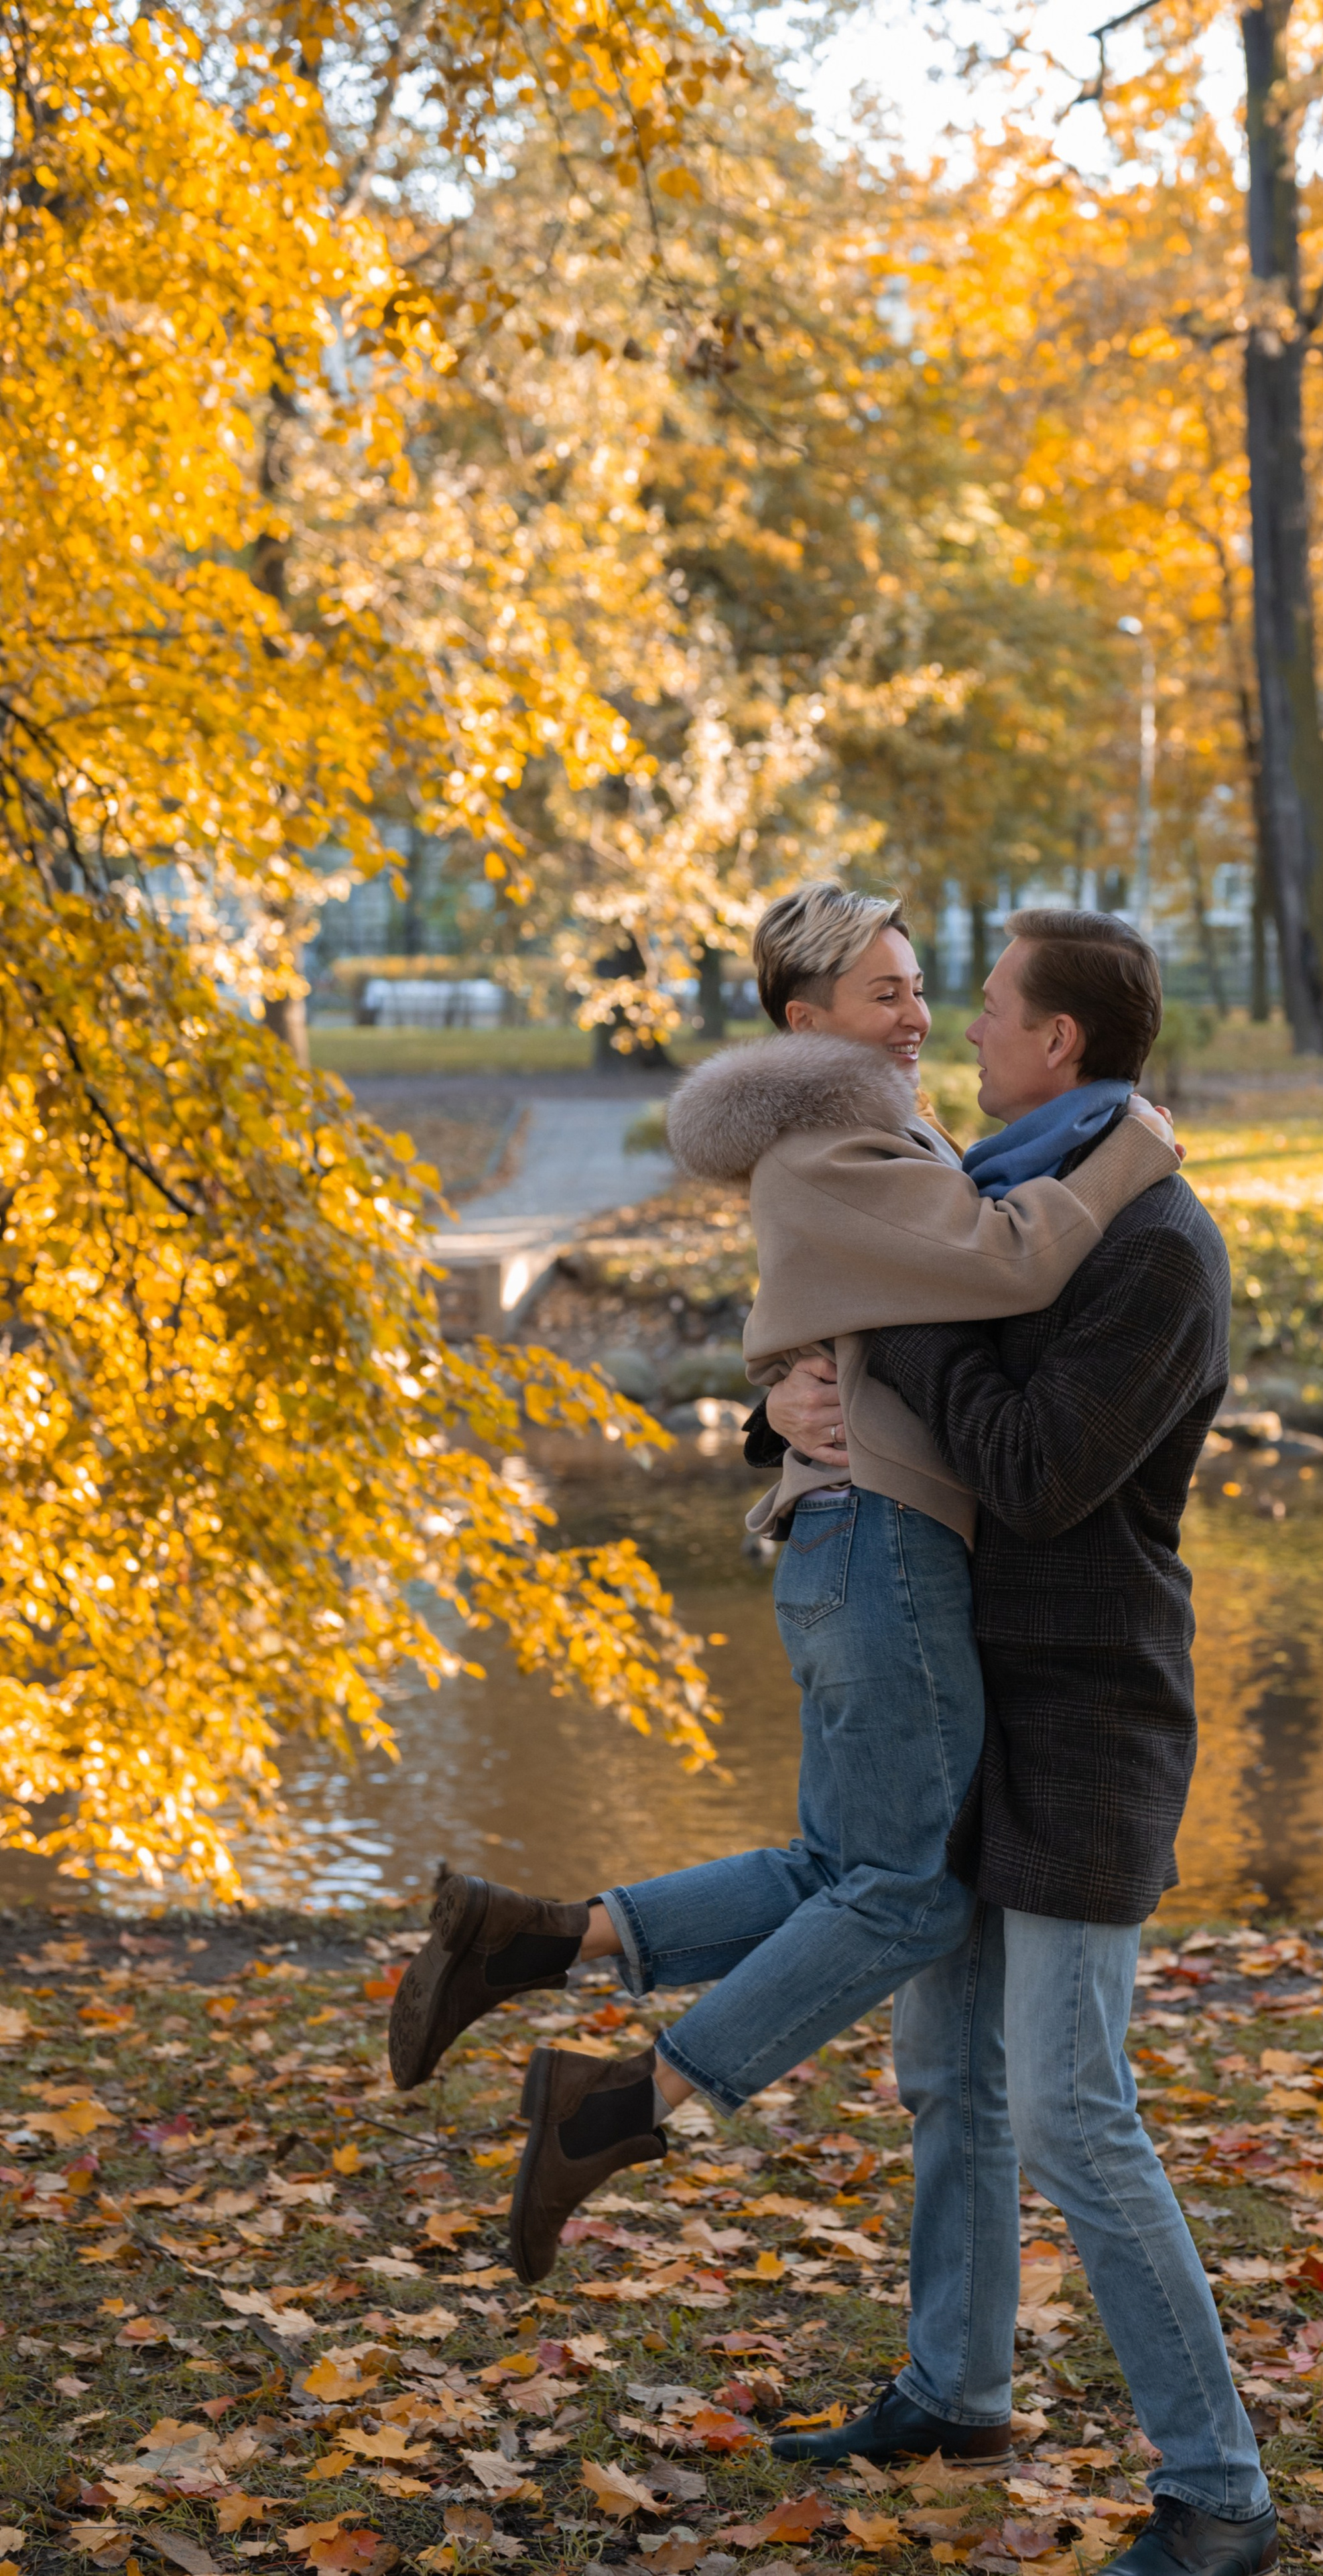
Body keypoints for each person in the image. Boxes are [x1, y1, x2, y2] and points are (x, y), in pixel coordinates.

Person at [386, 883, 1178, 2293]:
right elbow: (991, 1264)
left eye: (926, 987)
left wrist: (791, 1384)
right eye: (886, 994)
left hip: (864, 1531)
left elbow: (872, 1308)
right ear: (805, 1019)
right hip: (873, 1541)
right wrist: (1130, 1150)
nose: (921, 1015)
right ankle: (623, 2103)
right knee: (907, 1896)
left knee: (844, 1869)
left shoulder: (873, 1124)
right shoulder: (839, 1137)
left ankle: (532, 1938)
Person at [759, 912, 1277, 2576]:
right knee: (946, 2078)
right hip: (962, 1697)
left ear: (1059, 1042)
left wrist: (894, 1329)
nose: (957, 1031)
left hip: (1090, 1710)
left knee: (1068, 2107)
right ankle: (955, 2389)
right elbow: (847, 1336)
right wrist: (785, 1394)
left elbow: (1038, 1468)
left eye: (986, 1008)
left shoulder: (1153, 1250)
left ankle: (1219, 2490)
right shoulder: (1002, 1197)